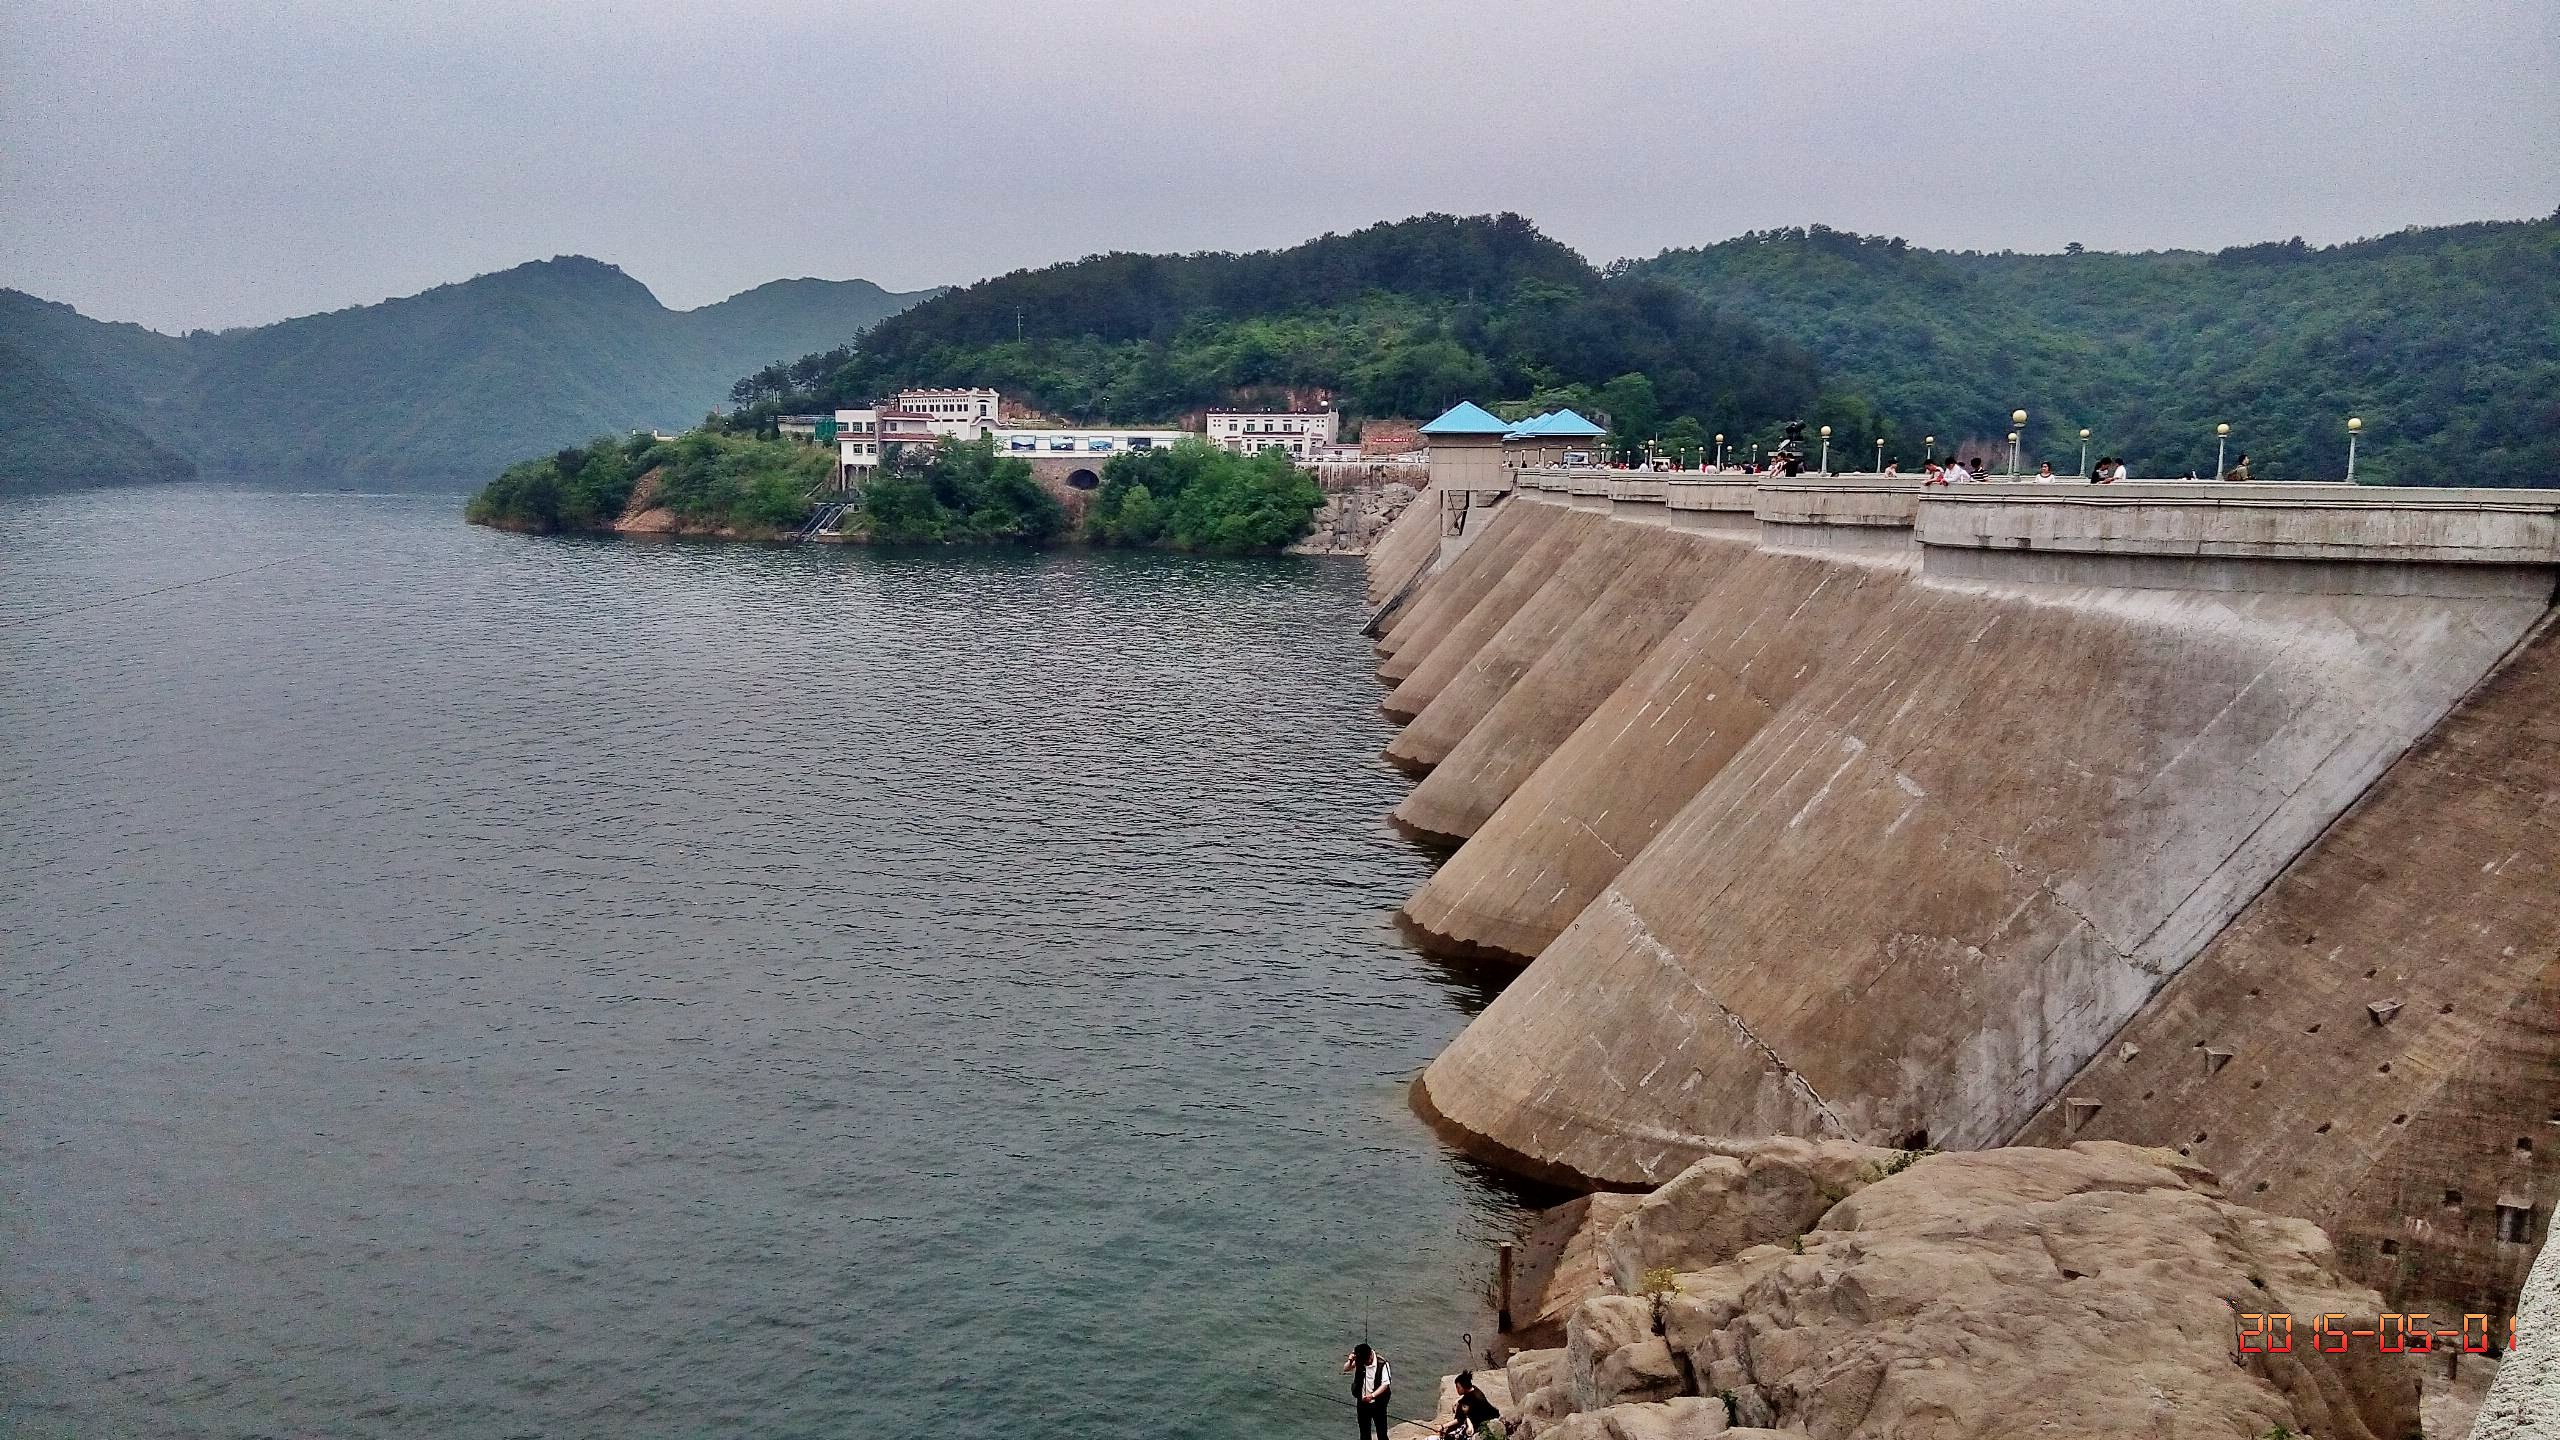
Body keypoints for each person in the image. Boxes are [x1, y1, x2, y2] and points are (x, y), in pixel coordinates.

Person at [1345, 1343, 1393, 1440]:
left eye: (1366, 1361)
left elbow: (1385, 1384)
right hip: (1362, 1403)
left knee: (1381, 1433)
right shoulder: (1360, 1360)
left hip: (1378, 1404)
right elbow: (1346, 1369)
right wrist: (1350, 1360)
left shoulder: (1382, 1363)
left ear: (1371, 1355)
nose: (1365, 1363)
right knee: (1364, 1433)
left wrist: (1372, 1396)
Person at [1442, 1371, 1507, 1440]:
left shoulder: (1473, 1400)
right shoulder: (1474, 1389)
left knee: (1450, 1435)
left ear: (1464, 1387)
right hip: (1489, 1414)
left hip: (1484, 1421)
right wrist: (1458, 1401)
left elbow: (1460, 1419)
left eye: (1458, 1387)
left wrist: (1443, 1426)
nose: (1457, 1390)